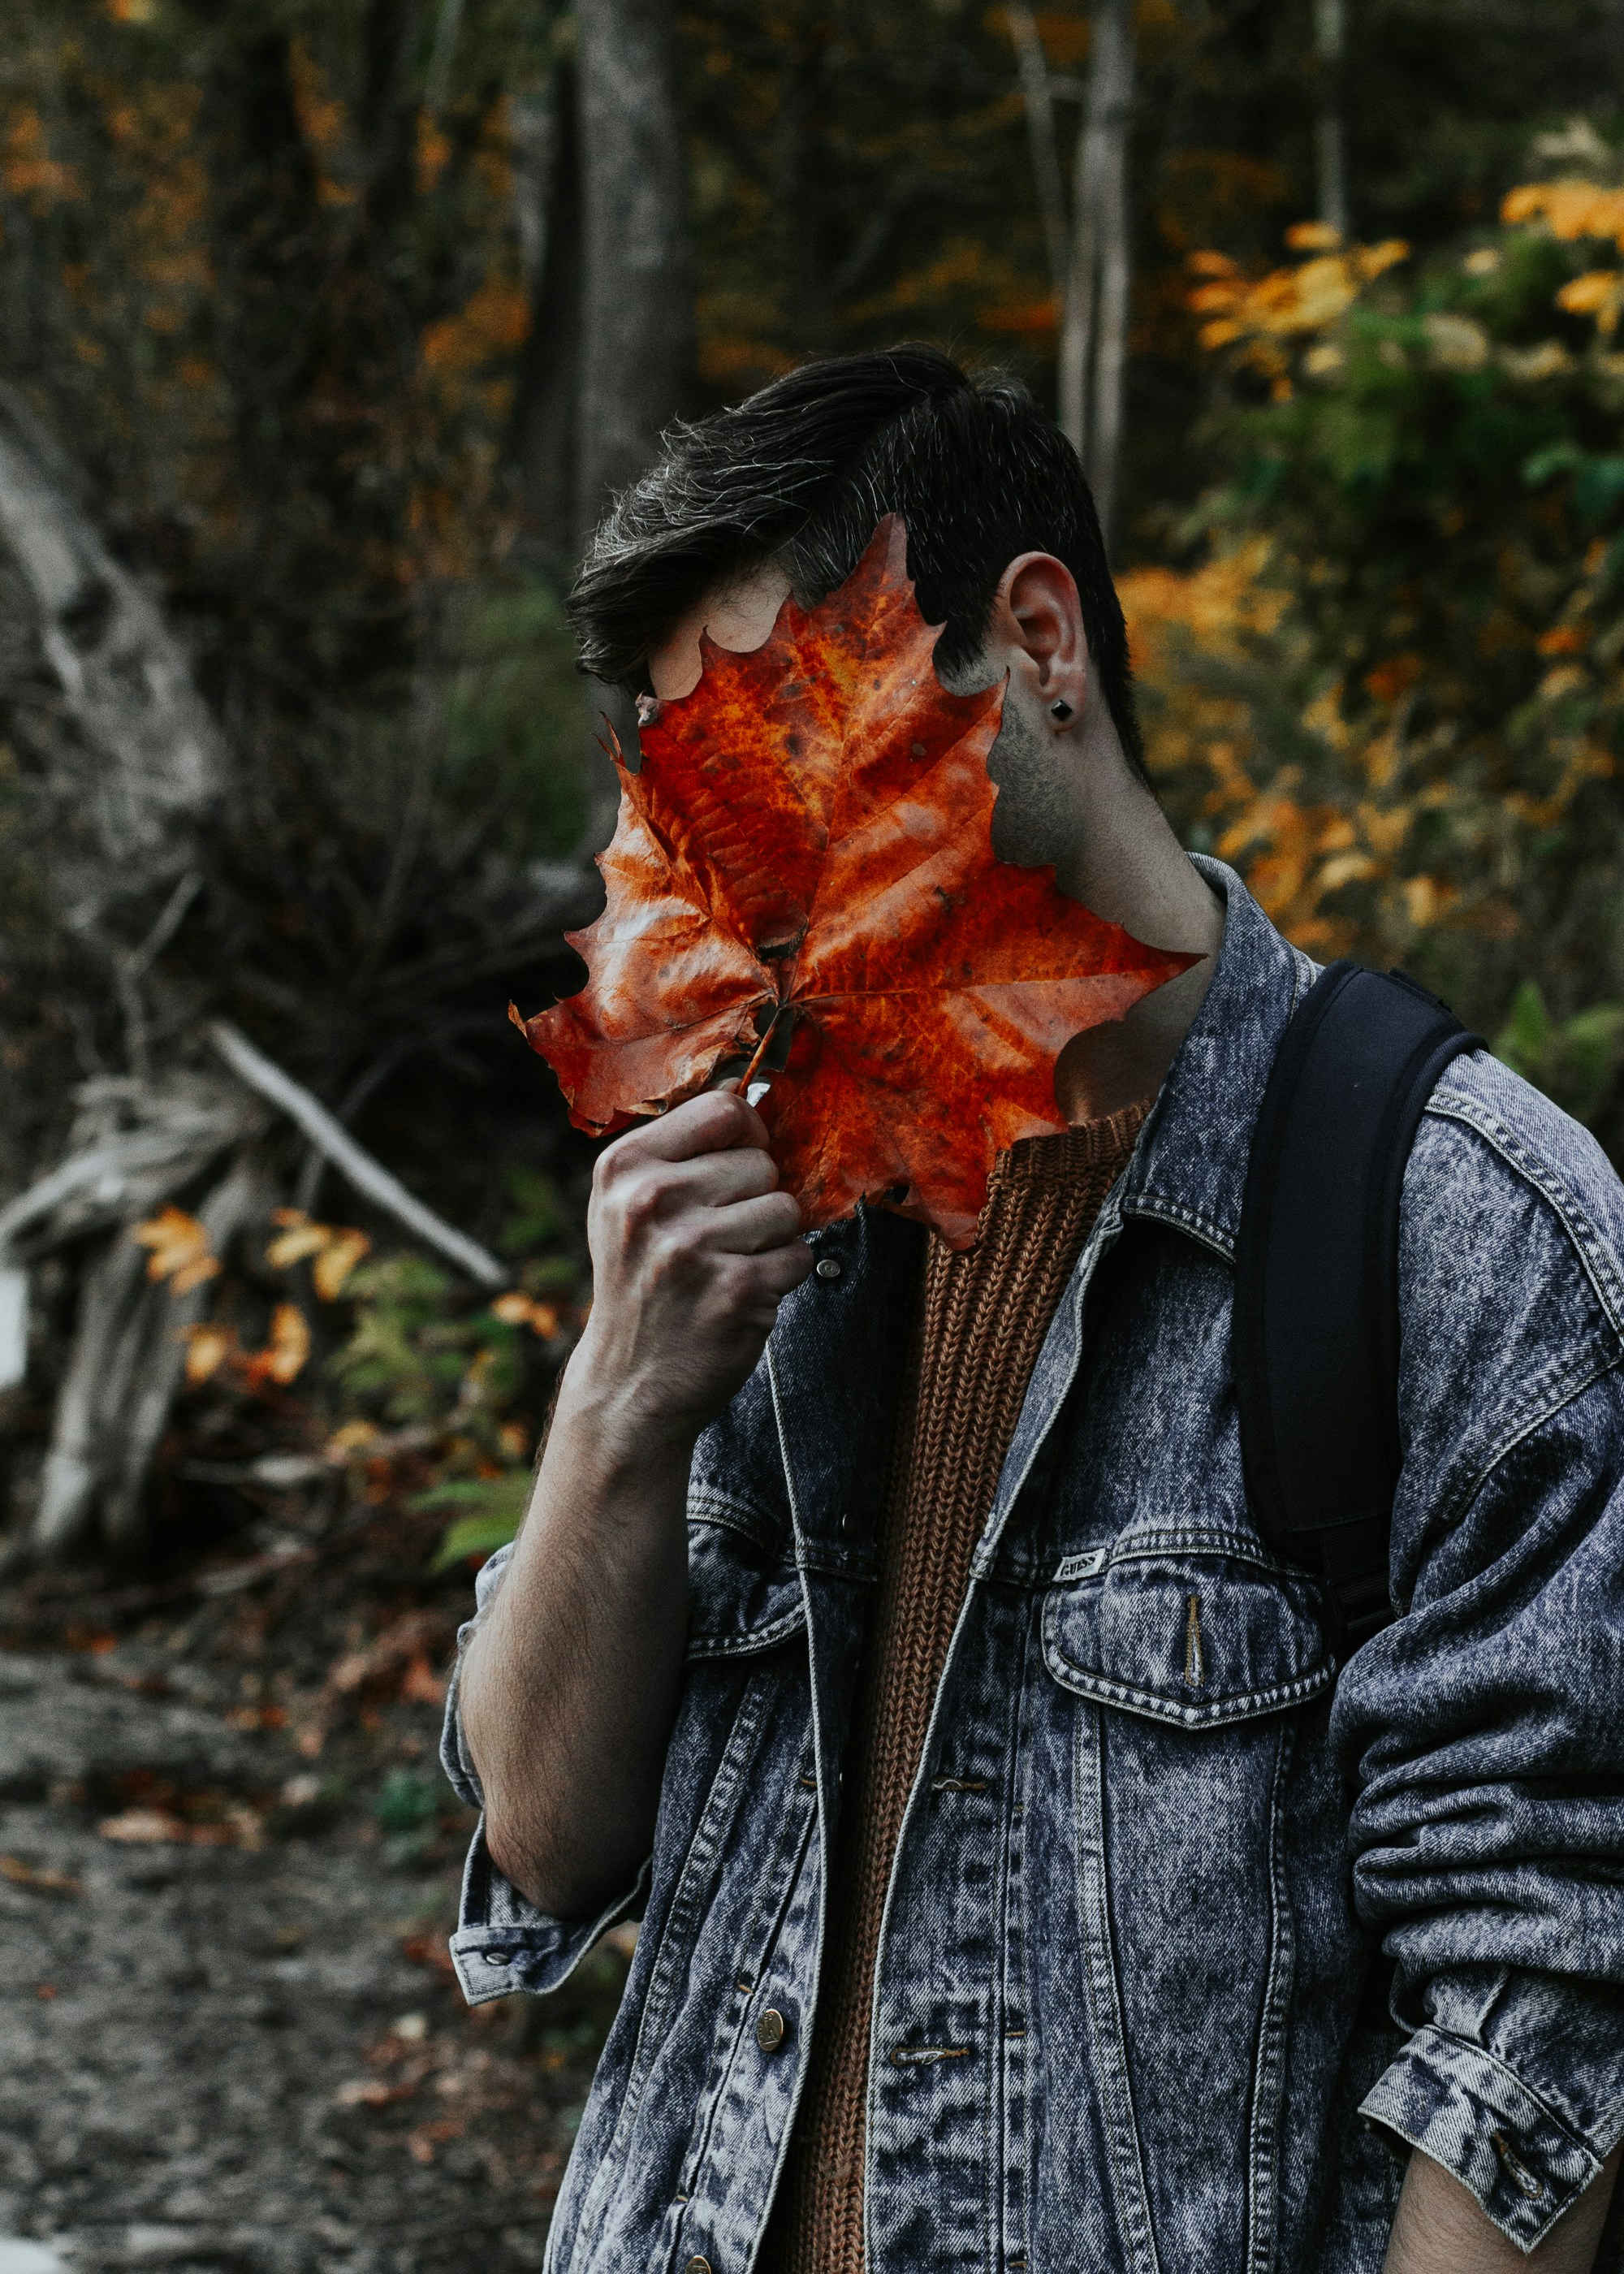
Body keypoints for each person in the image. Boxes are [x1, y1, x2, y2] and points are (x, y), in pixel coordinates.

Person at [443, 348, 1624, 2274]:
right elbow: (545, 1845)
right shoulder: (773, 1208)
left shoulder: (1457, 1234)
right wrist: (619, 1406)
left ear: (1036, 644)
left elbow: (1543, 2016)